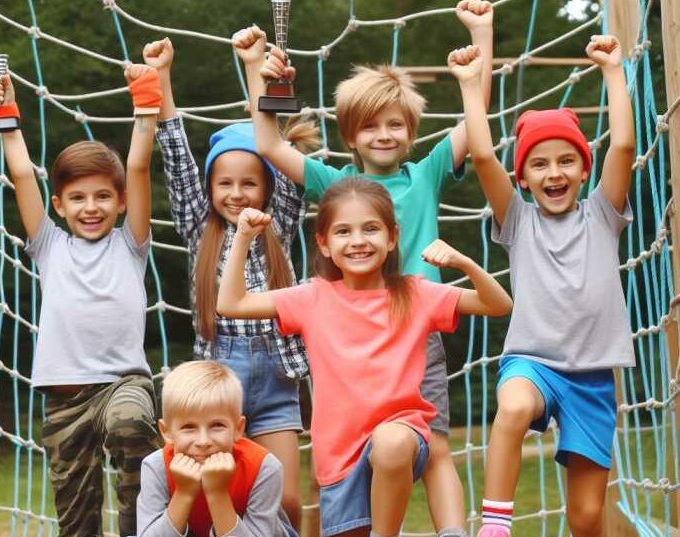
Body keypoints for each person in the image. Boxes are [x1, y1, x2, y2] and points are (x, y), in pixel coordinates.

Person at [233, 3, 493, 533]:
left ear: (412, 130)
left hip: (416, 329)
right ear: (350, 136)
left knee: (437, 447)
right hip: (349, 341)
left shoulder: (426, 174)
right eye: (370, 126)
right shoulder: (333, 185)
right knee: (354, 453)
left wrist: (481, 40)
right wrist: (256, 67)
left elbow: (474, 121)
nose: (384, 134)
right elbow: (267, 143)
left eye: (395, 124)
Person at [217, 177, 512, 537]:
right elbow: (231, 304)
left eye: (371, 229)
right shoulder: (313, 298)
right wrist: (244, 237)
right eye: (343, 232)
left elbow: (498, 304)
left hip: (402, 439)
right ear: (324, 244)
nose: (358, 241)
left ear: (391, 237)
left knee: (390, 441)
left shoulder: (414, 293)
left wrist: (465, 264)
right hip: (339, 458)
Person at [448, 35, 635, 537]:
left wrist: (614, 73)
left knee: (587, 517)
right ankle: (494, 525)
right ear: (524, 178)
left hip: (592, 377)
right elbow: (484, 158)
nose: (554, 172)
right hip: (533, 363)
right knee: (512, 406)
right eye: (540, 163)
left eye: (566, 161)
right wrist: (470, 86)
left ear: (584, 169)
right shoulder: (518, 221)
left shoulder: (602, 214)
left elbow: (622, 144)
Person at [142, 37, 320, 530]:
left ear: (266, 186)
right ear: (210, 188)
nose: (237, 194)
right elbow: (176, 160)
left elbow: (273, 145)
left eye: (249, 183)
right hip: (222, 380)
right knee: (210, 489)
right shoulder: (201, 229)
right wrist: (162, 78)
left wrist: (255, 71)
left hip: (278, 377)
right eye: (225, 183)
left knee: (285, 499)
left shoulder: (277, 224)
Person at [0, 64, 162, 536]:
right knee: (76, 522)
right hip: (65, 399)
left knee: (131, 424)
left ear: (121, 202)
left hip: (122, 384)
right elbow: (22, 173)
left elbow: (140, 165)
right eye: (78, 198)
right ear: (59, 205)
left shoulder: (131, 243)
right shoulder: (49, 245)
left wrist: (146, 104)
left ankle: (141, 528)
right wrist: (5, 113)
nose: (91, 207)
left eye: (103, 196)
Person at [137, 360, 297, 537]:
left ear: (238, 429)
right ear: (166, 432)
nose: (203, 441)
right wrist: (183, 493)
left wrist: (218, 493)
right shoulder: (156, 467)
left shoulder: (263, 467)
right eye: (188, 427)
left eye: (217, 425)